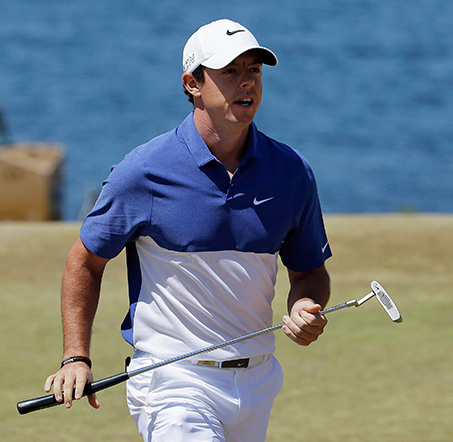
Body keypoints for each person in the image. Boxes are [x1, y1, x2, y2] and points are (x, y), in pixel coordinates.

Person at [44, 18, 332, 442]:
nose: (246, 83)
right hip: (173, 383)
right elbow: (84, 260)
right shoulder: (145, 170)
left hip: (257, 384)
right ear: (192, 84)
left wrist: (305, 307)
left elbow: (309, 271)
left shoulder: (290, 171)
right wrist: (75, 356)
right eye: (230, 72)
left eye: (254, 70)